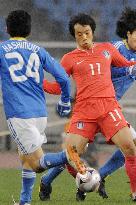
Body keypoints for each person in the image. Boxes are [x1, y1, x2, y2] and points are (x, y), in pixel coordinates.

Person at [39, 12, 136, 203]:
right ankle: (59, 181)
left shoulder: (107, 49)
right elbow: (58, 86)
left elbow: (128, 65)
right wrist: (38, 82)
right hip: (84, 112)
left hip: (109, 109)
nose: (84, 37)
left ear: (93, 32)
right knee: (71, 154)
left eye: (87, 33)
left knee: (131, 148)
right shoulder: (69, 59)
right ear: (74, 36)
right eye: (79, 34)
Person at [0, 10, 78, 205]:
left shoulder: (2, 49)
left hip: (19, 114)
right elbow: (62, 77)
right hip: (39, 113)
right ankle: (24, 202)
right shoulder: (38, 50)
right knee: (25, 157)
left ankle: (66, 156)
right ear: (29, 30)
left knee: (36, 163)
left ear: (6, 28)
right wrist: (65, 101)